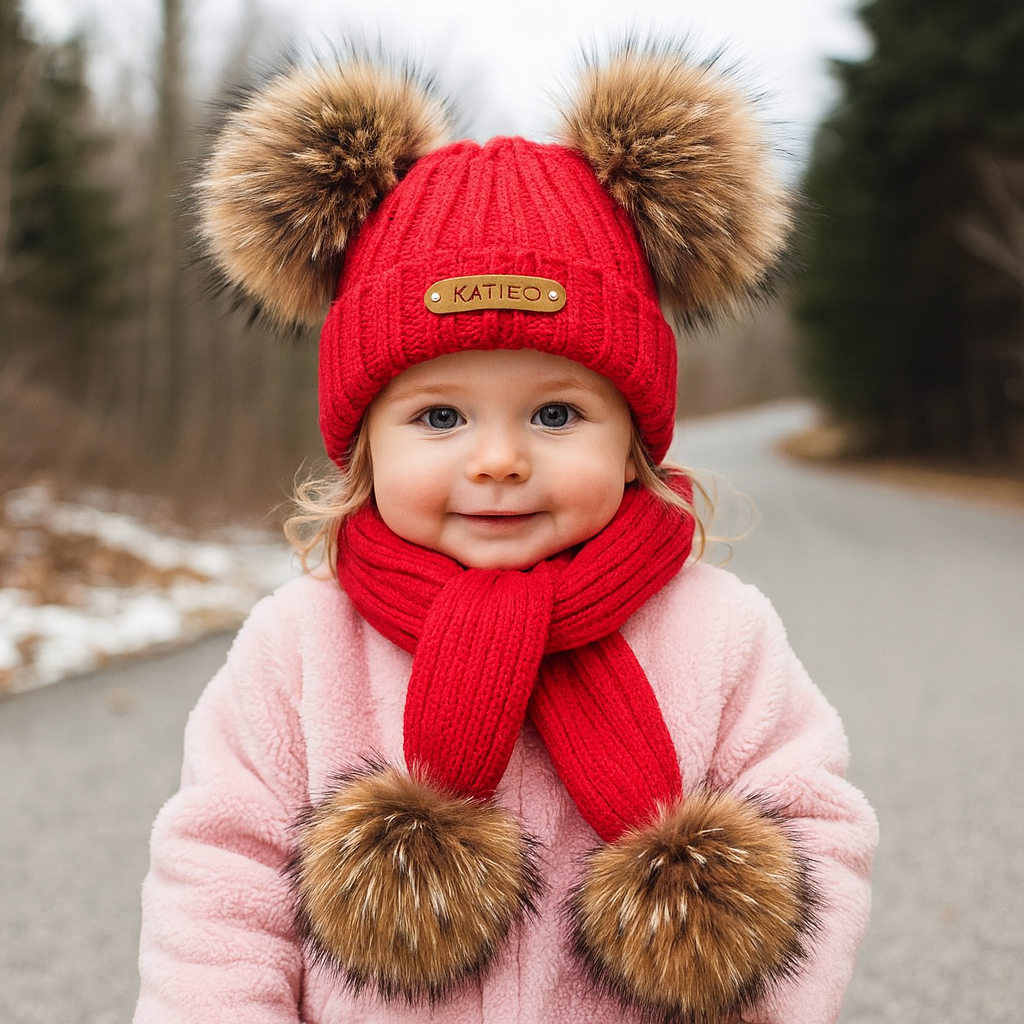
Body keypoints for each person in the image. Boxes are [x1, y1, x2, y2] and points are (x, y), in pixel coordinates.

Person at [134, 41, 877, 1024]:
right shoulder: (301, 648)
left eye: (556, 415)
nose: (496, 460)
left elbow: (815, 829)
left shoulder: (715, 635)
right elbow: (219, 878)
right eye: (439, 417)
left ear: (631, 441)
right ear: (363, 445)